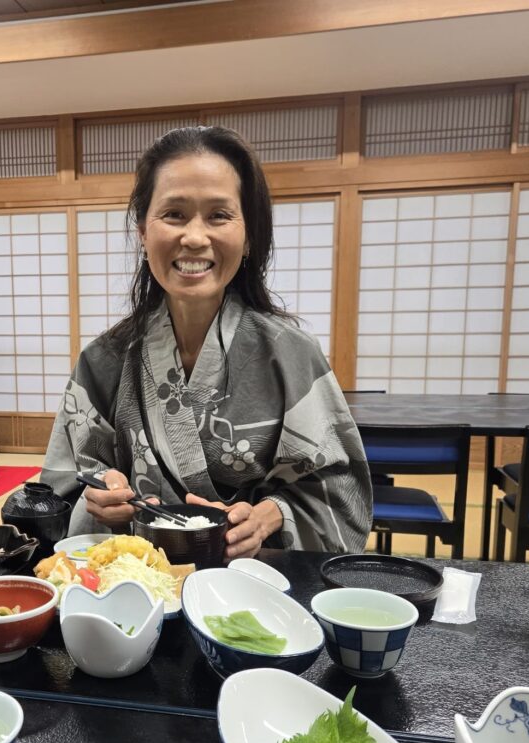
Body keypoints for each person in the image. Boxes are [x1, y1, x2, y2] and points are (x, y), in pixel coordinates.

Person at [41, 126, 372, 558]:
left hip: (256, 585)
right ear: (143, 231)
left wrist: (271, 514)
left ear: (249, 235)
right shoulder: (103, 360)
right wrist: (101, 497)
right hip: (135, 589)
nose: (195, 237)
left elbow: (341, 492)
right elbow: (57, 490)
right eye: (174, 214)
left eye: (218, 215)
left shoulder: (289, 355)